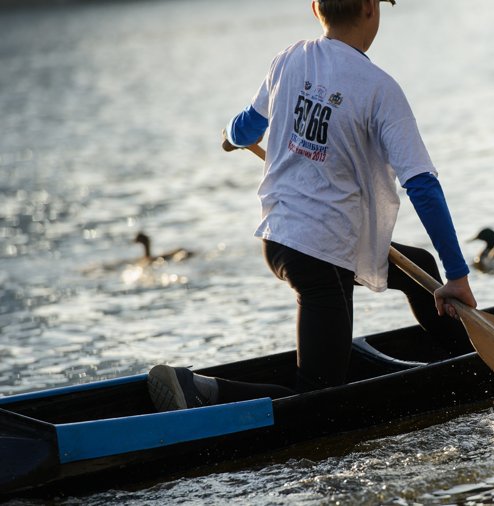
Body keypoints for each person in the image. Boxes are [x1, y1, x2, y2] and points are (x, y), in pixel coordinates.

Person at [146, 0, 477, 411]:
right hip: (320, 254)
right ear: (372, 8)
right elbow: (422, 185)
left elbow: (246, 125)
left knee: (420, 269)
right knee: (321, 397)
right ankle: (202, 391)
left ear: (316, 7)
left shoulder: (289, 59)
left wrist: (231, 136)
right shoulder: (380, 89)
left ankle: (469, 368)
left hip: (286, 240)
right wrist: (459, 275)